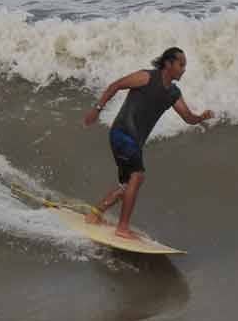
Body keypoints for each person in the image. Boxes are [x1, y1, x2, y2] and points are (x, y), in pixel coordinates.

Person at [83, 47, 214, 239]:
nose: (184, 69)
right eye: (181, 64)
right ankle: (122, 228)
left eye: (185, 65)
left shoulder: (173, 93)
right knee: (137, 176)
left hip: (133, 142)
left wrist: (201, 117)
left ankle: (95, 214)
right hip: (122, 134)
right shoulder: (146, 77)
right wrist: (97, 109)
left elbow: (187, 117)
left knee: (126, 185)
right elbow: (116, 85)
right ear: (168, 64)